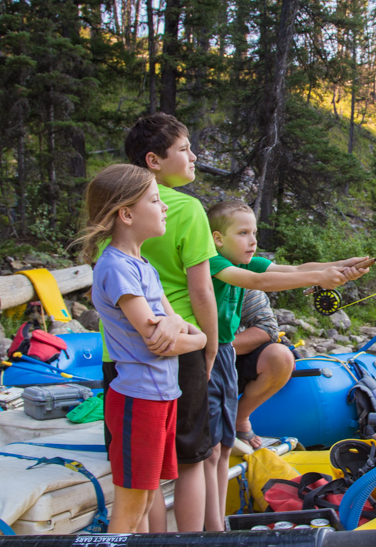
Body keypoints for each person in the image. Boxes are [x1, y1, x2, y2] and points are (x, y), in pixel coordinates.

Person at [204, 199, 369, 525]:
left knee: (220, 443)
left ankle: (235, 430)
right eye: (243, 233)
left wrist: (343, 264)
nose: (253, 240)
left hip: (223, 356)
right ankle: (207, 519)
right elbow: (261, 282)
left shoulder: (248, 261)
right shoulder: (211, 263)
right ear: (217, 239)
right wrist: (321, 278)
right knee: (210, 446)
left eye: (254, 232)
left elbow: (294, 269)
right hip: (206, 358)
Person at [79, 163, 207, 533]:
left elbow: (191, 335)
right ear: (127, 214)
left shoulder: (143, 265)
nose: (164, 206)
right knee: (131, 506)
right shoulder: (116, 268)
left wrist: (179, 330)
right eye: (155, 199)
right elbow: (159, 341)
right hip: (139, 400)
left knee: (148, 496)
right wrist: (179, 332)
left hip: (162, 395)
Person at [106, 113, 219, 532]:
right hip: (165, 359)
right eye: (185, 149)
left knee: (143, 472)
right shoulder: (185, 209)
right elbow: (201, 292)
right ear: (153, 160)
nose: (193, 157)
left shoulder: (113, 214)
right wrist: (208, 344)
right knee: (188, 460)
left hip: (117, 355)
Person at [232, 289, 295, 449]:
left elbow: (268, 329)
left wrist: (213, 348)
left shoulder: (242, 280)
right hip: (185, 360)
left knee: (281, 356)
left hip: (227, 355)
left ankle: (240, 418)